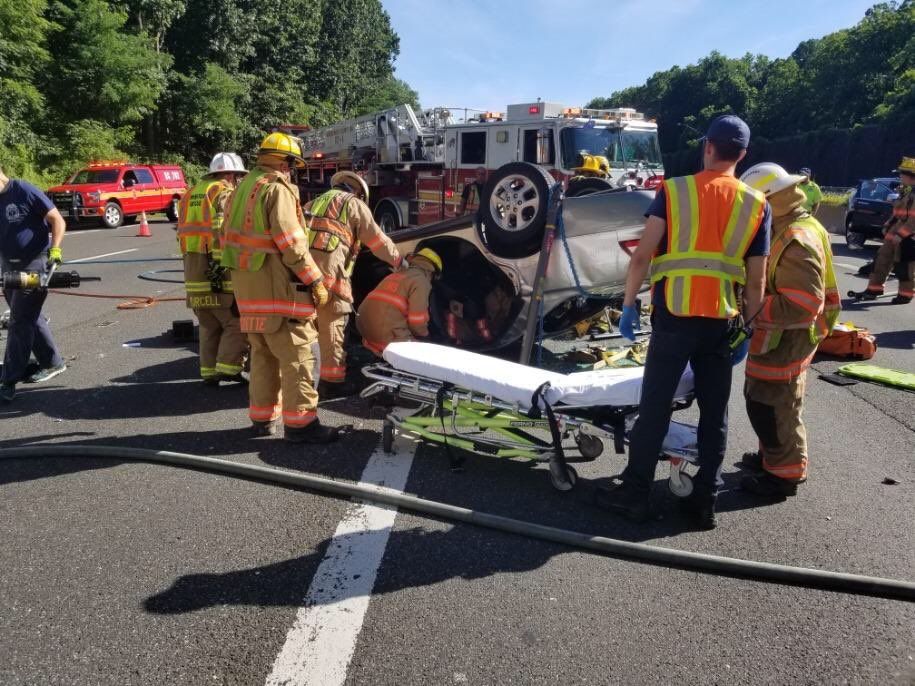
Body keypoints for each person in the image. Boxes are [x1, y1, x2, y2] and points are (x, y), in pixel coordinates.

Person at [595, 115, 770, 529]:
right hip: (721, 322)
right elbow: (757, 278)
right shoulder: (756, 205)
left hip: (674, 317)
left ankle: (636, 493)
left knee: (655, 405)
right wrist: (748, 325)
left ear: (707, 146)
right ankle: (703, 501)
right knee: (715, 412)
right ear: (742, 155)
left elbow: (642, 255)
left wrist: (629, 303)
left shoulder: (674, 192)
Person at [220, 133, 338, 443]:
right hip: (279, 293)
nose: (292, 171)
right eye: (292, 164)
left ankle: (263, 420)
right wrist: (315, 280)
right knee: (299, 356)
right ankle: (302, 426)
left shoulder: (239, 189)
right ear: (285, 162)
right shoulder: (277, 190)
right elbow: (292, 245)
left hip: (249, 294)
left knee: (262, 356)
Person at [737, 163, 840, 498]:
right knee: (770, 402)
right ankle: (774, 457)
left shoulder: (796, 238)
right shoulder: (790, 225)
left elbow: (803, 303)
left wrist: (748, 309)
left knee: (772, 406)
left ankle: (782, 477)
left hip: (786, 336)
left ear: (766, 201)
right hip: (779, 336)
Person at [305, 170, 400, 398]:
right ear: (357, 190)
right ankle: (332, 381)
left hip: (304, 274)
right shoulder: (353, 204)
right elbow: (377, 240)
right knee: (333, 327)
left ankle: (306, 377)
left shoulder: (313, 202)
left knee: (307, 329)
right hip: (330, 277)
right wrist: (399, 260)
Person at [176, 152, 249, 384]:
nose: (236, 181)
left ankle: (208, 373)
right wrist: (223, 270)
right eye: (237, 176)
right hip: (215, 271)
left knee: (208, 325)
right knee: (235, 324)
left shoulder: (190, 194)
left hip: (193, 270)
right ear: (229, 174)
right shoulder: (223, 193)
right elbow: (223, 234)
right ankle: (229, 369)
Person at [0, 166, 68, 402]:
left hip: (35, 265)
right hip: (8, 265)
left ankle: (8, 382)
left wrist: (56, 249)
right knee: (30, 316)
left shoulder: (24, 190)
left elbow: (56, 219)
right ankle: (52, 362)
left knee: (20, 320)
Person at [850, 156, 915, 305]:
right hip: (896, 231)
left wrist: (901, 235)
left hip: (908, 236)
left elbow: (913, 220)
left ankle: (905, 294)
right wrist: (888, 226)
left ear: (911, 177)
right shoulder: (905, 191)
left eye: (902, 174)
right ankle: (874, 289)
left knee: (905, 266)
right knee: (881, 260)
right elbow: (897, 213)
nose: (900, 176)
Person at [356, 248, 442, 356]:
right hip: (384, 332)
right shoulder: (422, 281)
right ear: (433, 272)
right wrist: (426, 336)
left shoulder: (397, 274)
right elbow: (417, 322)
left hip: (364, 328)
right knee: (426, 355)